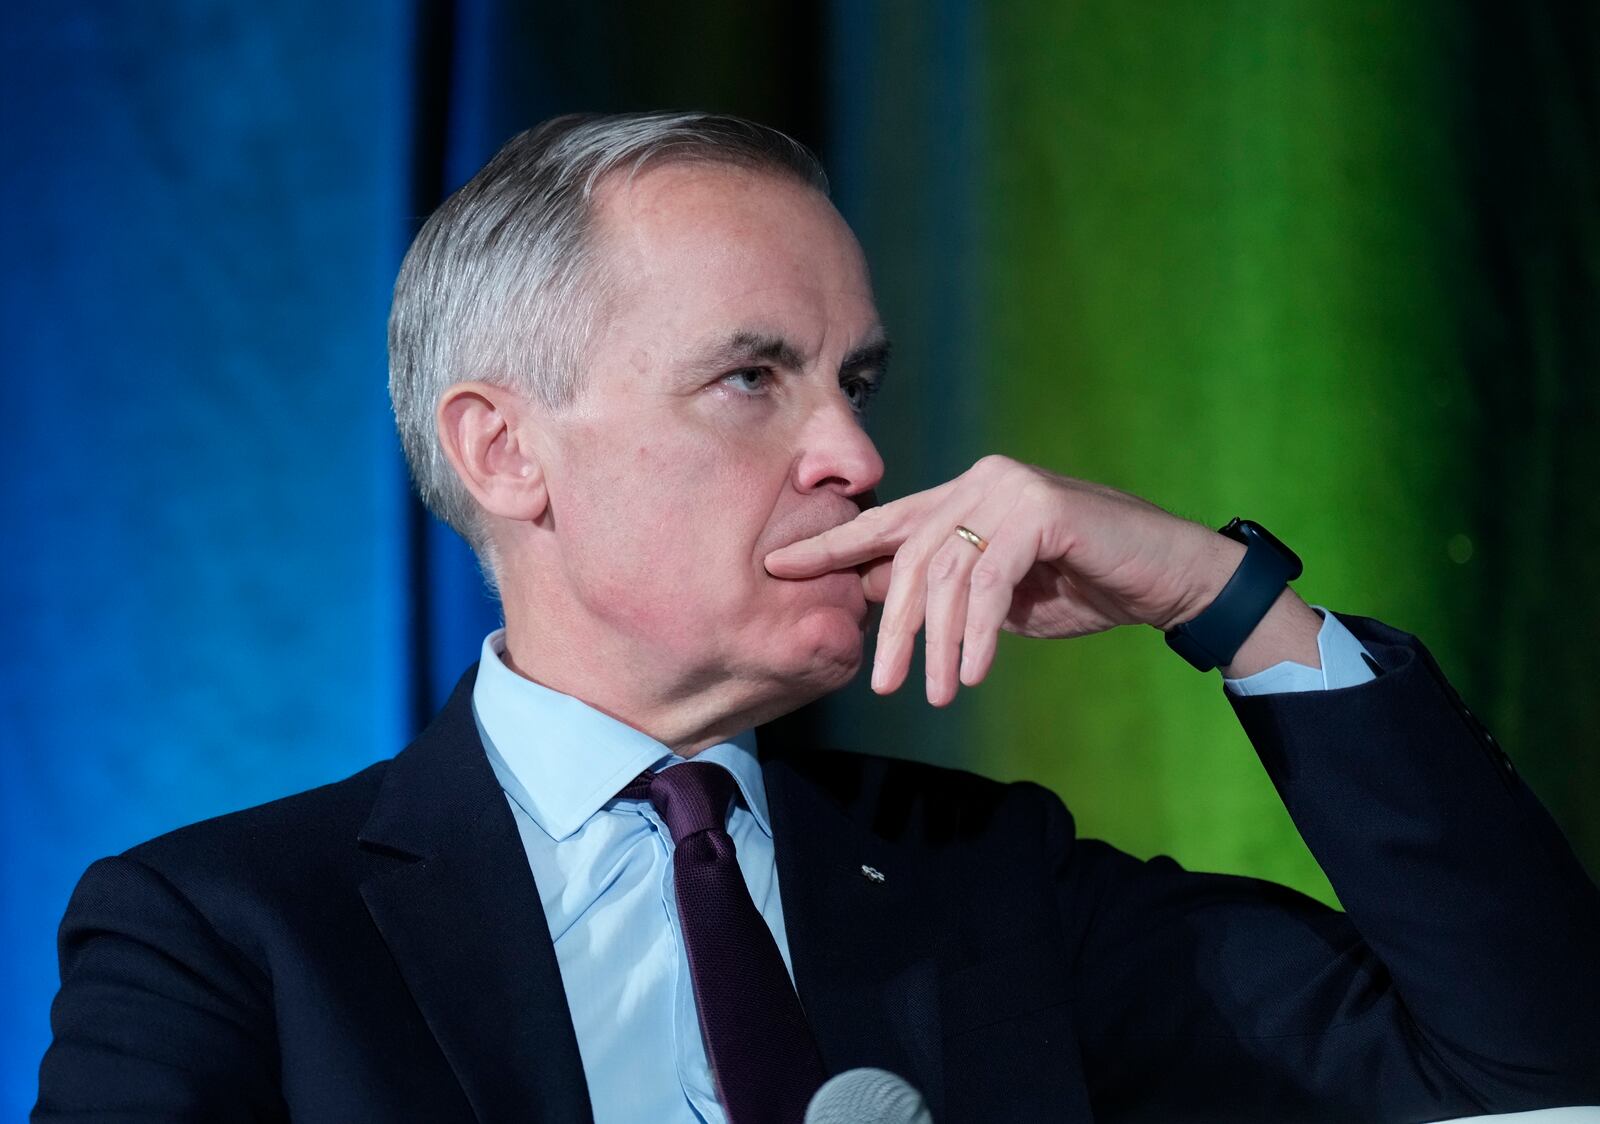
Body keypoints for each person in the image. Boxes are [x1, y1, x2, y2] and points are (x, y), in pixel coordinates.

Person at [34, 111, 1600, 1123]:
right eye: (750, 378)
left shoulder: (996, 889)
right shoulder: (227, 932)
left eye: (856, 382)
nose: (855, 454)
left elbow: (1528, 1066)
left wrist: (1221, 595)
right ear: (506, 451)